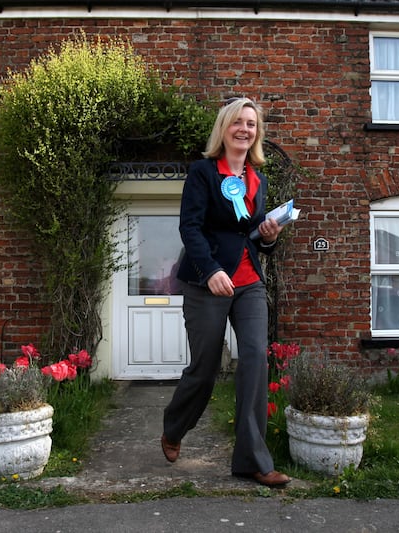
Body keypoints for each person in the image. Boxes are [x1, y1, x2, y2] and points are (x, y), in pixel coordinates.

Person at [161, 97, 290, 487]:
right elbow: (191, 228)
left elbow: (250, 234)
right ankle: (174, 428)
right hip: (207, 281)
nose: (245, 130)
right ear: (224, 128)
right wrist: (211, 269)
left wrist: (269, 237)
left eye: (251, 124)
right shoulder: (203, 173)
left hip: (249, 282)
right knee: (205, 367)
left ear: (257, 133)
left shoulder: (258, 178)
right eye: (238, 122)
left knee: (254, 359)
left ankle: (252, 461)